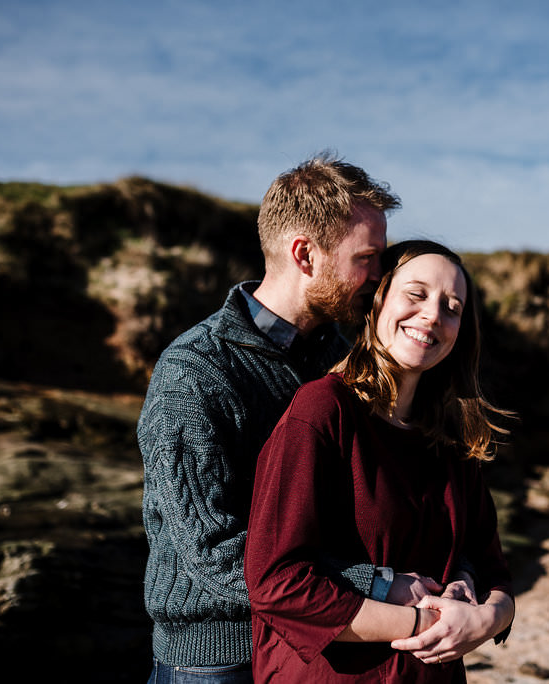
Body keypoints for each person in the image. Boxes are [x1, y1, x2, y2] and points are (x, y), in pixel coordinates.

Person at [137, 153, 405, 683]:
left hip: (320, 647)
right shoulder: (196, 371)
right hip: (217, 658)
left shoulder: (343, 362)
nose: (379, 278)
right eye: (366, 258)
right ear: (305, 254)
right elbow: (212, 551)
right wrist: (375, 584)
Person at [245, 240, 516, 682]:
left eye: (452, 307)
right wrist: (424, 623)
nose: (433, 315)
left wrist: (487, 620)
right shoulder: (322, 410)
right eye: (416, 294)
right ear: (377, 301)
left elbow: (494, 572)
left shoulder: (450, 438)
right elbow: (277, 583)